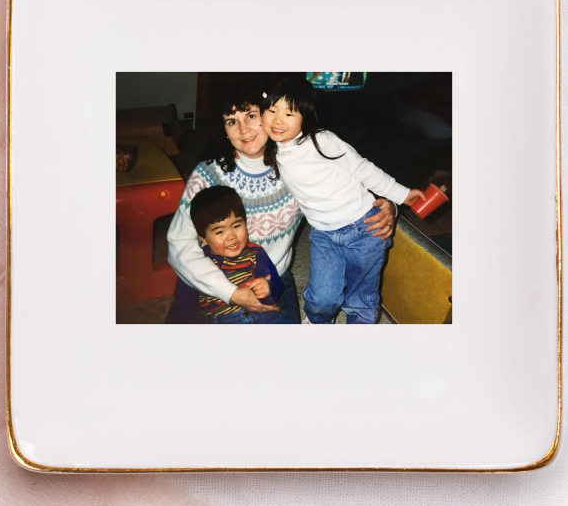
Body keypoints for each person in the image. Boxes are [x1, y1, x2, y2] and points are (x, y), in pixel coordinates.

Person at [166, 79, 397, 323]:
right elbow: (179, 242)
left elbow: (354, 182)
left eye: (251, 116)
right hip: (213, 280)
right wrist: (229, 292)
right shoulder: (208, 174)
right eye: (232, 121)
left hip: (271, 277)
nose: (243, 130)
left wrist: (390, 204)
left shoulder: (300, 166)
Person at [262, 77, 425, 324]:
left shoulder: (321, 140)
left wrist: (401, 194)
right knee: (322, 298)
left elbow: (362, 168)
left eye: (289, 113)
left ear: (306, 118)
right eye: (272, 110)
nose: (278, 120)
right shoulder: (272, 150)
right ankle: (318, 322)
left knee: (362, 296)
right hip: (323, 235)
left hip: (365, 228)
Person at [189, 185, 284, 324]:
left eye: (236, 226)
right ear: (204, 238)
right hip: (220, 320)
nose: (231, 236)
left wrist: (269, 289)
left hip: (259, 315)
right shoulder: (197, 260)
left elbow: (275, 284)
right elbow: (184, 301)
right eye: (220, 232)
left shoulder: (255, 252)